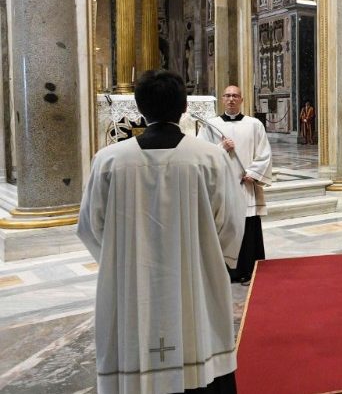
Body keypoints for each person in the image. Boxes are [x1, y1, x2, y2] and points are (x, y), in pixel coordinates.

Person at [78, 70, 244, 394]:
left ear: (140, 108)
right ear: (184, 107)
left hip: (131, 287)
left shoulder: (109, 161)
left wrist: (118, 259)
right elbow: (232, 222)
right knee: (203, 353)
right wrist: (211, 260)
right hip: (197, 280)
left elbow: (89, 226)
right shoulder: (209, 158)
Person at [198, 84, 273, 285]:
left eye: (235, 96)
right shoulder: (210, 125)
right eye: (227, 96)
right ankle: (225, 272)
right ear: (222, 99)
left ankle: (249, 270)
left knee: (248, 230)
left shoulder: (254, 124)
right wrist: (222, 147)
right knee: (226, 228)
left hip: (246, 186)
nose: (231, 99)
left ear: (241, 100)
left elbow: (264, 153)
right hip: (222, 189)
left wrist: (254, 173)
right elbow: (201, 155)